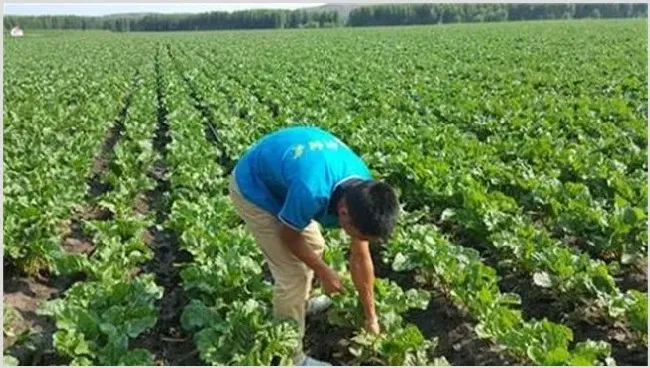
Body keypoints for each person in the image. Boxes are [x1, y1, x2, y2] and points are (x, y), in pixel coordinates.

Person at [228, 126, 399, 366]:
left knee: (315, 245)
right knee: (293, 275)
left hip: (289, 178)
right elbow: (289, 237)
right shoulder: (312, 191)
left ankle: (301, 304)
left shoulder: (364, 192)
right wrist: (324, 271)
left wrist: (371, 318)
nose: (357, 239)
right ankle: (292, 357)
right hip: (255, 188)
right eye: (355, 233)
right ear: (343, 213)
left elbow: (360, 257)